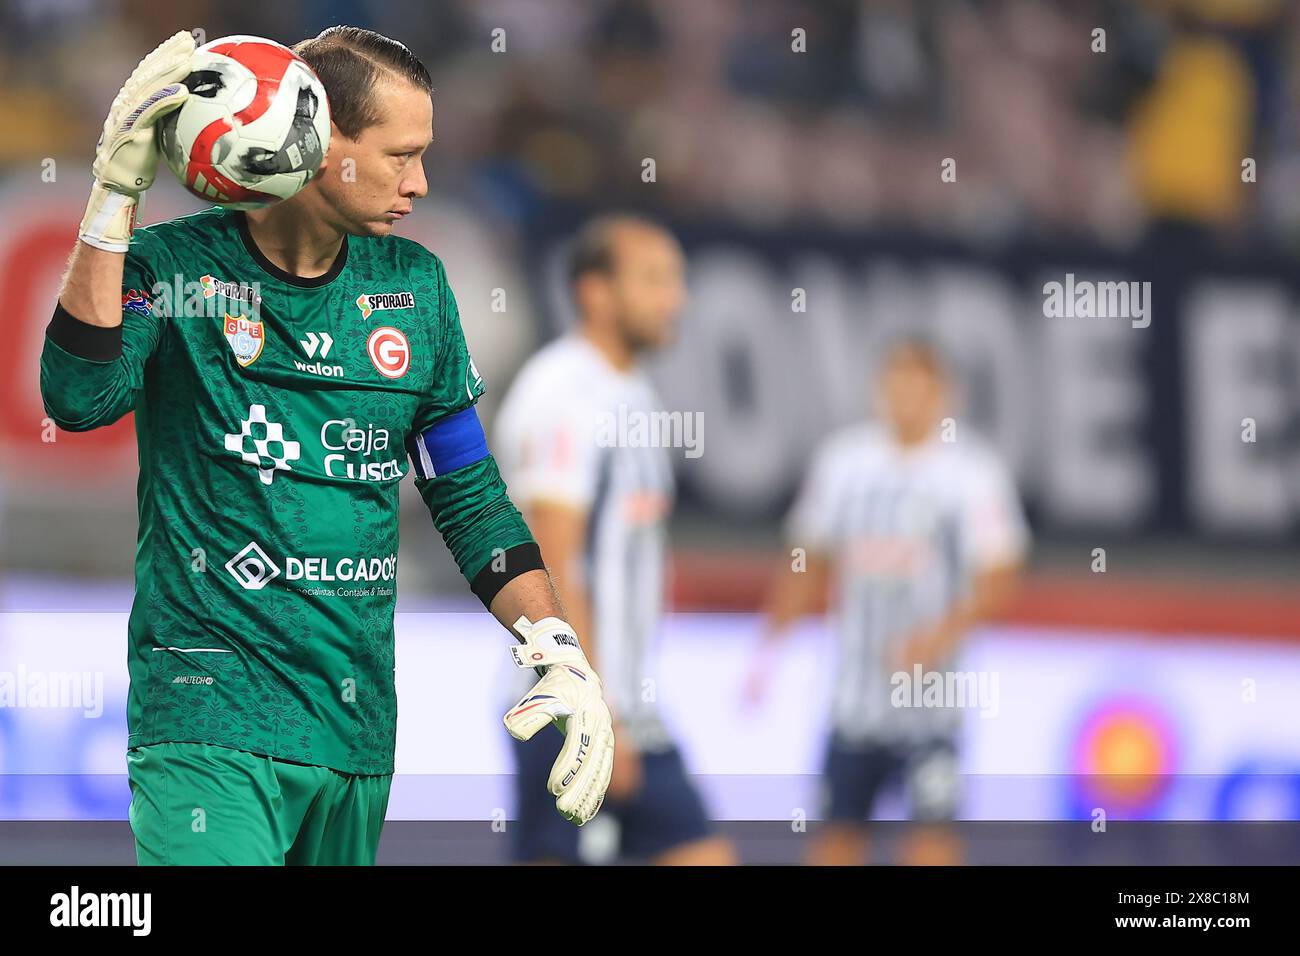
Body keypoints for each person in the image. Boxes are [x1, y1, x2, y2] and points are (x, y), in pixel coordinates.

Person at [38, 27, 613, 866]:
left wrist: (557, 647)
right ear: (314, 138)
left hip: (354, 731)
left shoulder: (415, 289)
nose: (419, 183)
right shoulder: (171, 270)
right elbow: (77, 397)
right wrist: (113, 192)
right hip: (208, 717)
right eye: (400, 155)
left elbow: (468, 494)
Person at [494, 214, 735, 865]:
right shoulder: (563, 391)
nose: (675, 298)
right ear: (595, 292)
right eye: (655, 279)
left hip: (632, 706)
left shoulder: (634, 394)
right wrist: (590, 709)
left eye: (676, 279)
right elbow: (550, 560)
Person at [747, 337, 1028, 865]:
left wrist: (941, 635)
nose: (906, 401)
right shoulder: (844, 463)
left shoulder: (970, 473)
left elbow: (1000, 573)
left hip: (931, 710)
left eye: (919, 390)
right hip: (854, 703)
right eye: (896, 388)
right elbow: (806, 560)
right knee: (837, 840)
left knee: (932, 841)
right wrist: (769, 647)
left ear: (945, 396)